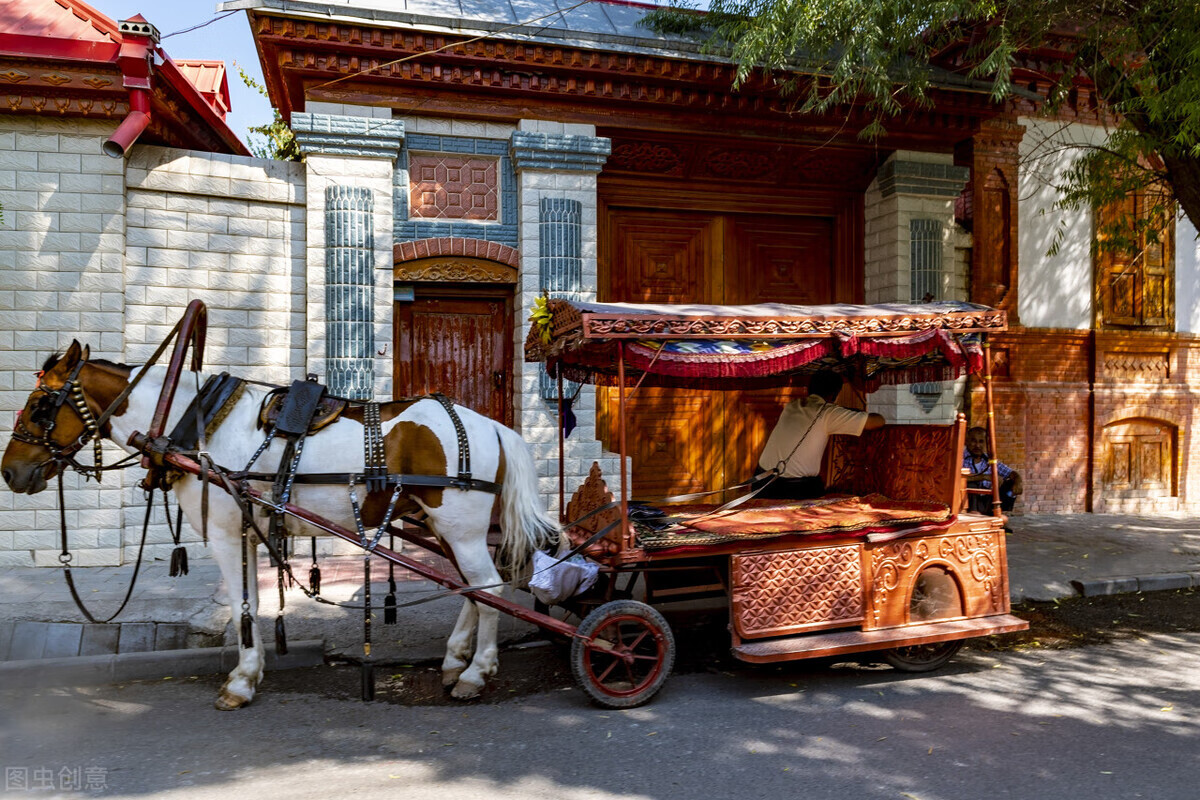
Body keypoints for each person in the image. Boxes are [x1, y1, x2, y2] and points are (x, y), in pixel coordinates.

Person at [755, 370, 885, 500]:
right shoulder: (829, 413)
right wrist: (851, 411)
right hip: (791, 489)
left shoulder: (792, 405)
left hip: (760, 482)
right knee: (818, 488)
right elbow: (877, 421)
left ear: (809, 389)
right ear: (834, 395)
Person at [963, 426, 1022, 519]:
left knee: (1010, 483)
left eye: (981, 441)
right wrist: (983, 477)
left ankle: (999, 512)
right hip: (969, 502)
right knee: (971, 484)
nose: (977, 445)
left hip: (987, 501)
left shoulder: (989, 459)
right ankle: (974, 513)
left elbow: (1011, 473)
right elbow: (957, 478)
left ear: (986, 443)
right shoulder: (960, 458)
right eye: (973, 441)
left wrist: (1018, 481)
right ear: (966, 442)